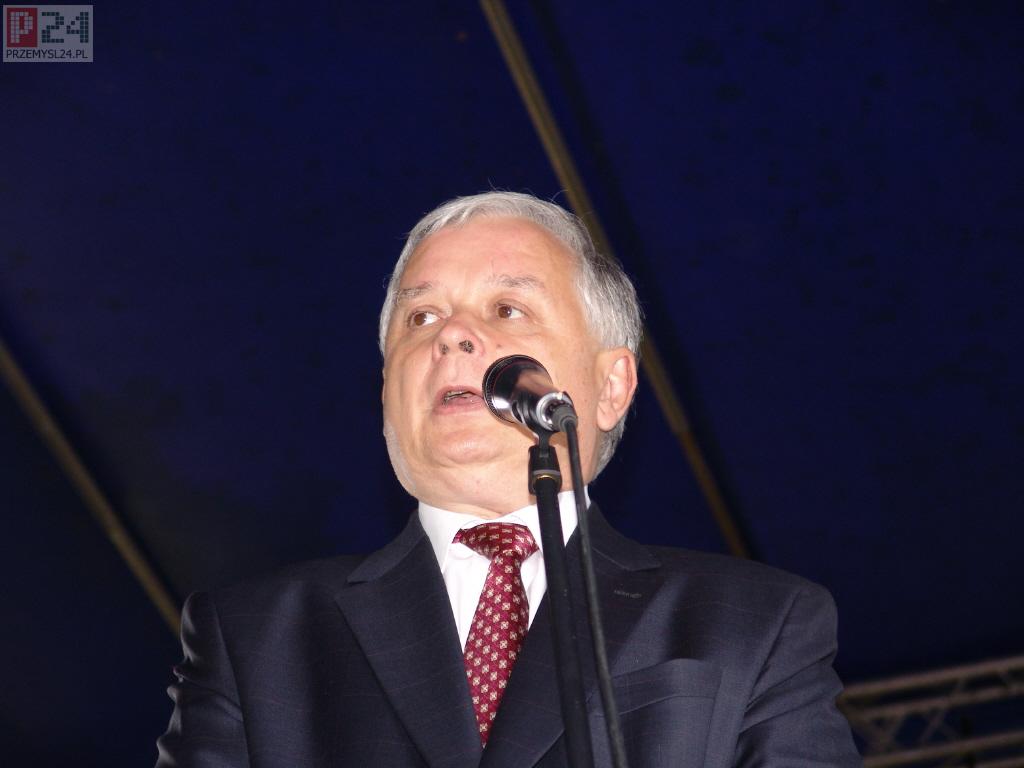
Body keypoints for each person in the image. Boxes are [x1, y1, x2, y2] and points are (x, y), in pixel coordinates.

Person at [156, 191, 861, 767]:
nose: (451, 336)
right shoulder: (254, 638)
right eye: (421, 316)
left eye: (506, 310)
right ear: (386, 392)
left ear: (611, 387)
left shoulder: (757, 623)